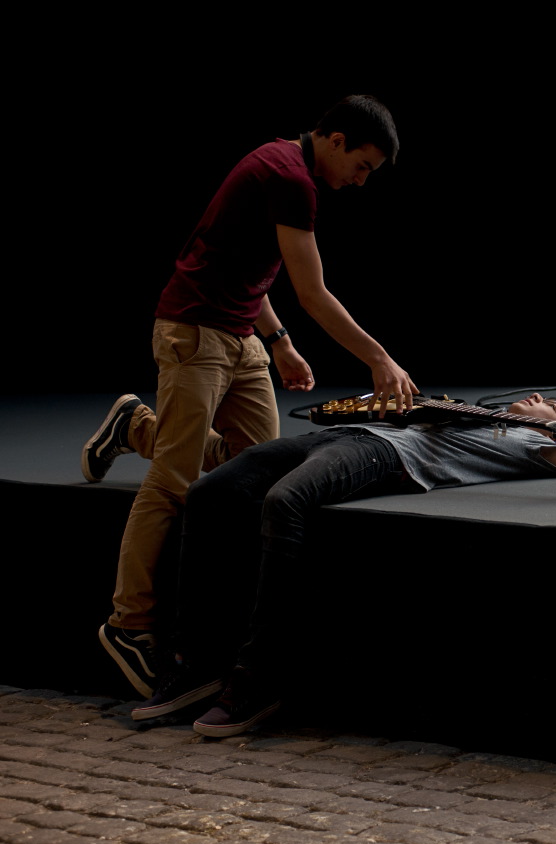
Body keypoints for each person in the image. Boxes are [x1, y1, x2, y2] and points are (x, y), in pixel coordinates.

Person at [121, 393, 556, 736]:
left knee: (282, 502)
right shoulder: (467, 412)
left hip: (384, 459)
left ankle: (258, 677)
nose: (536, 398)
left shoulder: (540, 443)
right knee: (211, 493)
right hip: (348, 434)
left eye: (550, 403)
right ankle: (193, 662)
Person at [86, 95, 420, 700]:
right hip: (194, 333)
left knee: (254, 466)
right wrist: (379, 358)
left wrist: (279, 341)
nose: (361, 181)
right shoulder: (289, 178)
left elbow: (246, 261)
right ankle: (128, 625)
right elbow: (313, 292)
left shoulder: (286, 165)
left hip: (241, 336)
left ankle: (136, 426)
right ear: (336, 140)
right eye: (362, 166)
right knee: (173, 481)